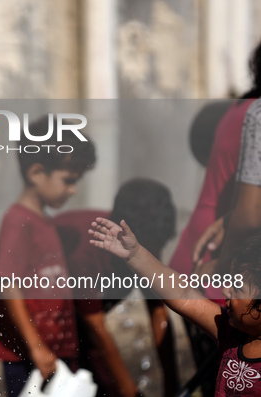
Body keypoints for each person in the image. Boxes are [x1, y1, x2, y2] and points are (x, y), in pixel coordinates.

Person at [171, 41, 261, 396]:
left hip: (214, 257)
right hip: (221, 267)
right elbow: (250, 214)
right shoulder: (252, 114)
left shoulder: (242, 110)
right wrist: (223, 269)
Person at [0, 117, 96, 396]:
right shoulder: (18, 221)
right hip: (28, 357)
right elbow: (7, 283)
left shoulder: (43, 222)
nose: (73, 190)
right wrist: (36, 347)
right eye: (68, 181)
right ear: (36, 172)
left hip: (52, 353)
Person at [90, 218, 261, 396]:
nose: (225, 291)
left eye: (238, 288)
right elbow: (184, 295)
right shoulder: (232, 334)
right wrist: (135, 254)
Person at [55, 179, 178, 397]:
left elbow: (158, 312)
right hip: (46, 321)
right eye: (150, 246)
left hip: (84, 320)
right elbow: (96, 327)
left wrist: (172, 385)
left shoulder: (146, 242)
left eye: (156, 247)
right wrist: (129, 390)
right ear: (124, 234)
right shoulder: (86, 249)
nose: (153, 253)